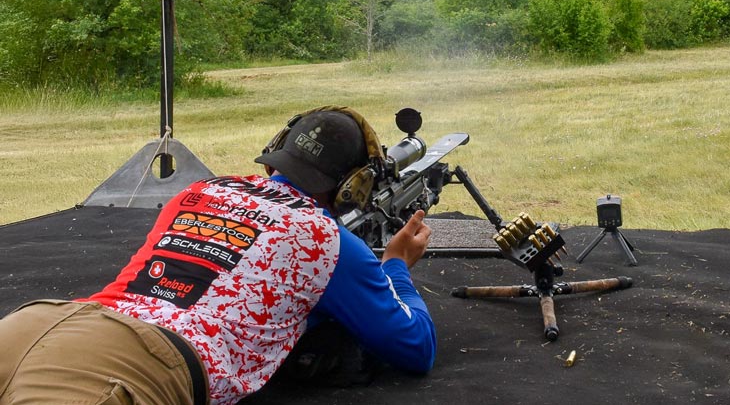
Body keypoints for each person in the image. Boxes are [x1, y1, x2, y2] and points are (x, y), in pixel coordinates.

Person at [0, 106, 436, 405]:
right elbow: (414, 347)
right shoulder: (332, 242)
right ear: (353, 185)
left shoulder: (201, 190)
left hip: (41, 323)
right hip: (128, 363)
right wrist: (395, 266)